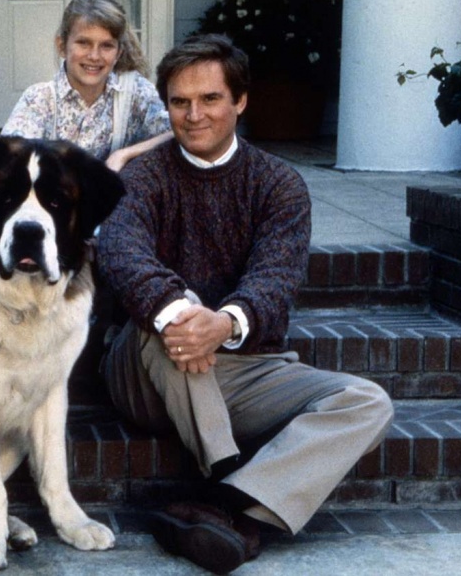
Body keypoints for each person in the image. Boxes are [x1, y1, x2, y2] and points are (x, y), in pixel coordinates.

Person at [96, 34, 394, 574]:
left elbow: (275, 280)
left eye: (210, 98)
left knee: (367, 403)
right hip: (145, 371)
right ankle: (225, 481)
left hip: (245, 367)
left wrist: (226, 323)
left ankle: (228, 511)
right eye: (180, 102)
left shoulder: (278, 184)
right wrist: (182, 313)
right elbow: (120, 253)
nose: (194, 115)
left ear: (241, 101)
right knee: (173, 320)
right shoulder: (143, 177)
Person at [1, 0, 171, 172]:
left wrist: (124, 154)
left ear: (119, 52)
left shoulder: (135, 91)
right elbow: (7, 158)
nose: (94, 56)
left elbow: (177, 133)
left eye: (106, 46)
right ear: (62, 46)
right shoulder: (40, 99)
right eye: (83, 43)